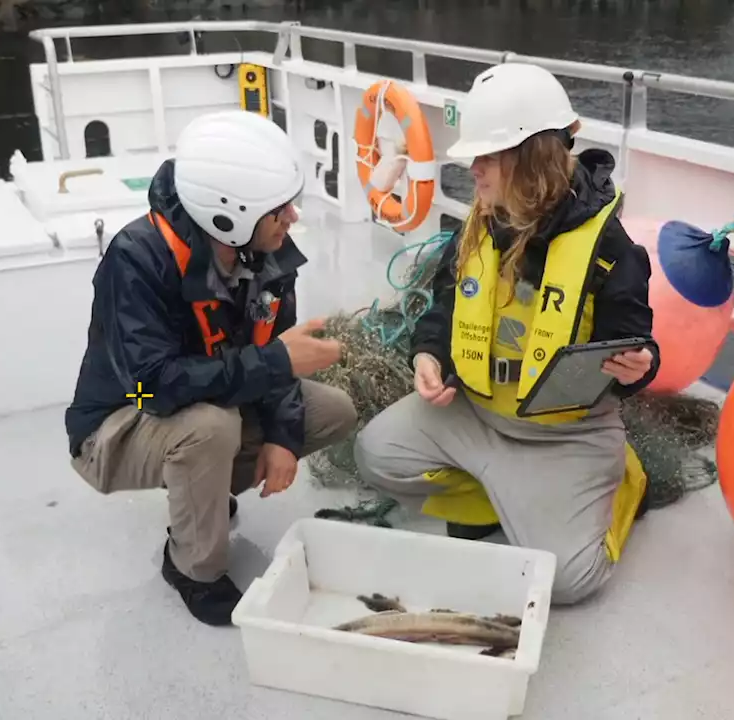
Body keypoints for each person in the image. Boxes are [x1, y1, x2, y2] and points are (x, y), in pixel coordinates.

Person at [354, 63, 661, 605]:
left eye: (488, 156)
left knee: (569, 582)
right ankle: (496, 493)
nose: (474, 169)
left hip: (563, 437)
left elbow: (633, 344)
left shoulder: (610, 250)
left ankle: (622, 482)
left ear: (531, 157)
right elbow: (446, 307)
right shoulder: (479, 223)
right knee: (375, 453)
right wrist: (428, 355)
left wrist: (643, 365)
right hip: (473, 415)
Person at [65, 110, 357, 627]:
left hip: (199, 402)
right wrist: (275, 362)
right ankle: (192, 568)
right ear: (230, 215)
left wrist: (284, 437)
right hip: (116, 422)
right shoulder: (135, 260)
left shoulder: (264, 250)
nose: (291, 218)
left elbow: (273, 348)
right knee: (210, 429)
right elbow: (153, 386)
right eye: (279, 210)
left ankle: (200, 490)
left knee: (332, 410)